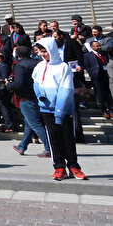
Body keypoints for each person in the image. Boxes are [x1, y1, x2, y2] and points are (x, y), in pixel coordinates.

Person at [33, 42, 88, 181]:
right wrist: (40, 95)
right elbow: (36, 82)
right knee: (54, 139)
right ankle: (59, 167)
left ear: (52, 50)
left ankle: (74, 166)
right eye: (41, 51)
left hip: (63, 109)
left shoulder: (63, 67)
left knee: (67, 138)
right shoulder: (40, 66)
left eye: (45, 51)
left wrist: (59, 111)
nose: (43, 54)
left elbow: (66, 90)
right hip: (46, 108)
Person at [7, 46, 50, 157]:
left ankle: (49, 147)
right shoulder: (37, 62)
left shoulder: (20, 65)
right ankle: (22, 146)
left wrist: (9, 85)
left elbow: (19, 83)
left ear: (18, 55)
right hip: (38, 95)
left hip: (26, 97)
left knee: (35, 124)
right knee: (29, 123)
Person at [85, 40, 112, 119]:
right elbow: (87, 66)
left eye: (99, 45)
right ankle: (104, 110)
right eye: (97, 46)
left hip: (105, 75)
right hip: (97, 76)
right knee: (100, 93)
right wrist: (92, 74)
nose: (99, 47)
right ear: (92, 47)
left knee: (108, 93)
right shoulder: (88, 55)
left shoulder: (103, 54)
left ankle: (111, 109)